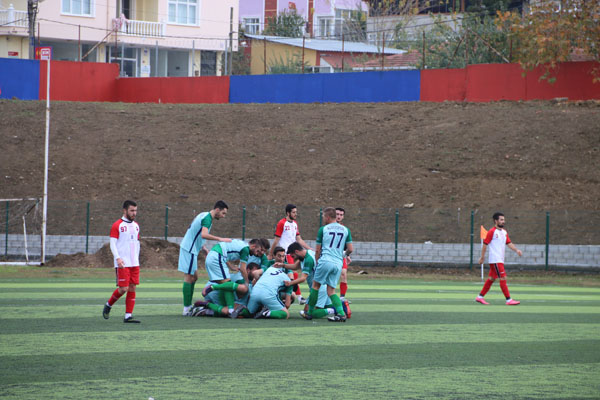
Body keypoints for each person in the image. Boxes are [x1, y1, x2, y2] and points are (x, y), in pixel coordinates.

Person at [179, 200, 231, 316]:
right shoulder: (207, 219)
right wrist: (220, 239)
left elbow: (195, 232)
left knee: (194, 277)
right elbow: (203, 234)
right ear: (217, 210)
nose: (223, 216)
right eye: (223, 213)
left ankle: (188, 307)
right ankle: (186, 309)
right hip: (189, 249)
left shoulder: (204, 215)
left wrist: (203, 247)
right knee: (189, 277)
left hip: (191, 249)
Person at [306, 207, 353, 322]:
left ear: (327, 217)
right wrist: (343, 255)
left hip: (325, 260)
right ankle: (341, 314)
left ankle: (310, 312)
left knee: (315, 286)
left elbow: (318, 250)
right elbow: (350, 249)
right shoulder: (345, 229)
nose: (323, 219)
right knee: (331, 291)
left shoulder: (323, 229)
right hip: (338, 263)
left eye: (323, 217)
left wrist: (317, 262)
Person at [203, 238, 267, 316]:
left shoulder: (242, 246)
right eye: (257, 251)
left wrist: (231, 267)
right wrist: (246, 283)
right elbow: (243, 269)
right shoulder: (246, 249)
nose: (256, 254)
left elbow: (226, 253)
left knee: (225, 283)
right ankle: (228, 307)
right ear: (253, 246)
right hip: (217, 256)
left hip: (215, 255)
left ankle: (220, 307)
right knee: (228, 283)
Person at [102, 200, 141, 323]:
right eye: (131, 210)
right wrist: (117, 258)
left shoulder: (136, 226)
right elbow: (113, 244)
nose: (134, 213)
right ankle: (109, 304)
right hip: (123, 263)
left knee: (132, 287)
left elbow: (137, 243)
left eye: (135, 210)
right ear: (125, 210)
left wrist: (137, 259)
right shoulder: (117, 225)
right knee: (123, 289)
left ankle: (128, 315)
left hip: (134, 262)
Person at [476, 212, 523, 306]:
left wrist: (516, 250)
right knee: (503, 277)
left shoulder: (504, 232)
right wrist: (482, 257)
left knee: (491, 278)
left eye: (503, 220)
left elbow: (508, 243)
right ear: (496, 221)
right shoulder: (492, 232)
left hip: (499, 259)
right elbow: (485, 244)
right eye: (501, 220)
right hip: (495, 259)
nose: (503, 221)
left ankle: (480, 297)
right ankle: (508, 300)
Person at [287, 242, 342, 320]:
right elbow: (295, 266)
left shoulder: (308, 259)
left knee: (311, 313)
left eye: (293, 256)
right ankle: (341, 307)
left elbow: (303, 278)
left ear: (296, 252)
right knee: (308, 309)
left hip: (319, 288)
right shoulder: (306, 254)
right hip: (321, 286)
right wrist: (283, 265)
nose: (293, 258)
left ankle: (335, 310)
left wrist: (290, 283)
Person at [270, 204, 312, 303]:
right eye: (293, 212)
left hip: (293, 253)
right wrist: (271, 253)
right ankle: (298, 296)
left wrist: (309, 248)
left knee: (293, 274)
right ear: (288, 213)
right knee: (292, 274)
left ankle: (293, 296)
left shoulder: (295, 224)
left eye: (296, 212)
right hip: (285, 253)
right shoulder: (282, 223)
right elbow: (276, 240)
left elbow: (299, 239)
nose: (295, 214)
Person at [336, 207, 352, 303]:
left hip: (341, 255)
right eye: (337, 214)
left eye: (341, 215)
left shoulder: (344, 229)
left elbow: (346, 244)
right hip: (329, 255)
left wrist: (347, 255)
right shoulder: (328, 227)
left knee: (343, 274)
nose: (339, 216)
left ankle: (342, 297)